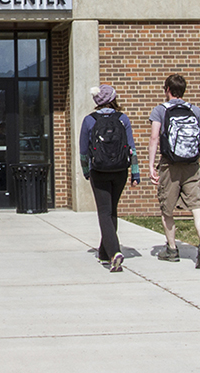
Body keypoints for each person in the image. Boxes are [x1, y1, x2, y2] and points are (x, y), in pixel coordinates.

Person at [148, 74, 200, 269]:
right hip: (192, 165)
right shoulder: (195, 110)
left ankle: (172, 249)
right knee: (197, 206)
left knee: (167, 208)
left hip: (170, 165)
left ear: (167, 89)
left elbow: (154, 138)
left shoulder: (160, 110)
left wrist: (151, 165)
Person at [79, 85, 140, 273]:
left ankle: (114, 252)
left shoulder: (89, 120)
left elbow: (83, 150)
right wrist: (135, 173)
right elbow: (131, 148)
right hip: (120, 170)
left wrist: (86, 170)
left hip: (99, 170)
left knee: (104, 212)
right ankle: (104, 251)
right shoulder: (122, 119)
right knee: (112, 210)